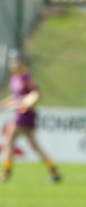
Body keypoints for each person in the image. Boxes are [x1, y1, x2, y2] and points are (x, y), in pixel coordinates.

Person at [0, 50, 61, 183]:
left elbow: (36, 94)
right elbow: (16, 97)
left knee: (9, 139)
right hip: (20, 113)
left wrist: (27, 102)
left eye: (15, 60)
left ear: (21, 62)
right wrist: (4, 103)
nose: (13, 63)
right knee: (35, 146)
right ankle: (54, 171)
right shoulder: (14, 78)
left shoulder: (27, 77)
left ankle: (6, 173)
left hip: (26, 114)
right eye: (12, 61)